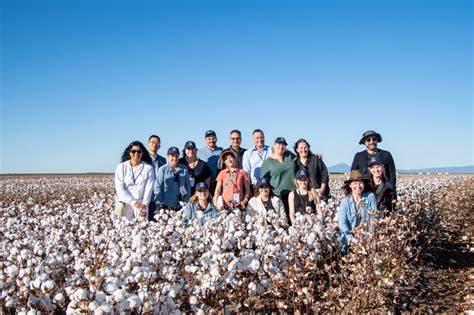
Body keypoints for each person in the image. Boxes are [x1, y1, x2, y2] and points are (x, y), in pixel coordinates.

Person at [337, 170, 378, 253]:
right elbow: (341, 223)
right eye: (355, 183)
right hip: (349, 240)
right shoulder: (345, 202)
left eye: (360, 183)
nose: (358, 186)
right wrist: (351, 238)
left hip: (366, 237)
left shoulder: (370, 196)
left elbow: (373, 217)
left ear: (364, 184)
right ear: (350, 185)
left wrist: (369, 237)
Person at [115, 141, 155, 220]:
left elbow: (149, 189)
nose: (136, 153)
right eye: (133, 151)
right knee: (124, 228)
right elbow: (119, 189)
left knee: (142, 228)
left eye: (139, 151)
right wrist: (133, 202)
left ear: (142, 153)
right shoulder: (121, 167)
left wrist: (144, 205)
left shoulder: (148, 168)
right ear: (129, 153)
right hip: (125, 203)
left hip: (142, 204)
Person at [260, 137, 297, 223]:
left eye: (283, 145)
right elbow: (264, 180)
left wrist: (313, 155)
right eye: (279, 144)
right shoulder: (268, 162)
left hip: (292, 193)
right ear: (274, 146)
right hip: (277, 195)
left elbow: (302, 157)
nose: (281, 146)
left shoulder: (289, 156)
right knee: (281, 220)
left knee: (293, 218)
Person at [155, 146, 191, 211]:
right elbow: (158, 187)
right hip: (166, 205)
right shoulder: (162, 169)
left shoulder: (184, 168)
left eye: (177, 156)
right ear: (168, 157)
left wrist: (186, 201)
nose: (175, 158)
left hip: (181, 204)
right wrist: (159, 203)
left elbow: (188, 186)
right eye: (172, 156)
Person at [147, 135, 166, 221]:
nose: (154, 144)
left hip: (158, 195)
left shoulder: (163, 160)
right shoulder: (143, 159)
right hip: (145, 194)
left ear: (159, 146)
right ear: (148, 144)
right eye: (152, 142)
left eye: (157, 142)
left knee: (156, 219)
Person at [197, 130, 223, 195]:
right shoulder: (199, 152)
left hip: (218, 183)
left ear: (216, 138)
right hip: (203, 184)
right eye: (209, 139)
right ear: (205, 140)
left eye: (213, 138)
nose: (211, 140)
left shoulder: (222, 151)